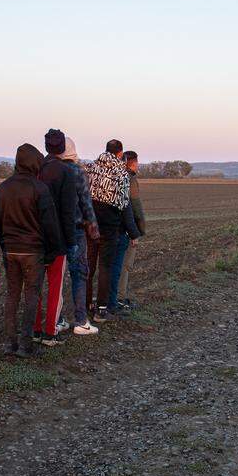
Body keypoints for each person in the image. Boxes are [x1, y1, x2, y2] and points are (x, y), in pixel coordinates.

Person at [0, 143, 64, 357]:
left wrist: (5, 247)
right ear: (35, 162)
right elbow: (50, 225)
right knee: (31, 297)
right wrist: (52, 252)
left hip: (11, 250)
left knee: (12, 296)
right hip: (33, 252)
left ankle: (9, 343)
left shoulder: (2, 189)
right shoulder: (39, 189)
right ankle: (26, 345)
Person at [32, 129, 79, 345]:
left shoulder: (36, 169)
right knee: (55, 286)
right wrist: (71, 242)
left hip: (35, 237)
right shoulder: (66, 172)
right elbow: (68, 212)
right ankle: (51, 332)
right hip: (58, 238)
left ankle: (35, 329)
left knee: (35, 286)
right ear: (62, 148)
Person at [86, 139, 135, 322]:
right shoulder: (122, 173)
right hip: (110, 227)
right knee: (106, 267)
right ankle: (101, 309)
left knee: (89, 267)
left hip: (90, 224)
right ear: (120, 154)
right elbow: (124, 204)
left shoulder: (90, 168)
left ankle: (85, 306)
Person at [57, 136, 101, 335]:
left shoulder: (50, 170)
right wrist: (93, 224)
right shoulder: (77, 171)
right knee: (79, 274)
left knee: (57, 276)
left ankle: (56, 320)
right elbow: (85, 201)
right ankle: (81, 320)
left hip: (55, 230)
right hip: (75, 229)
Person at [111, 150, 145, 311]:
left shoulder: (113, 177)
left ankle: (112, 297)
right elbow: (135, 207)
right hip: (126, 229)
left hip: (112, 228)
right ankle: (119, 297)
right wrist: (138, 231)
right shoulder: (130, 180)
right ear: (132, 163)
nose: (138, 165)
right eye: (137, 162)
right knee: (125, 265)